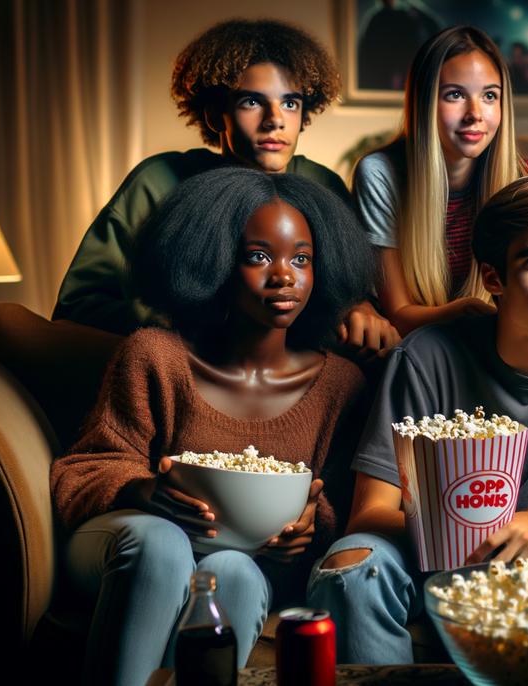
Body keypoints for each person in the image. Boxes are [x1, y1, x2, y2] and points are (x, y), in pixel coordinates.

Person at [307, 176, 528, 664]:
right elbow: (370, 512)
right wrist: (470, 532)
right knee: (350, 565)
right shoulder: (426, 357)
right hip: (436, 562)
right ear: (494, 278)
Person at [49, 167, 374, 686]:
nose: (284, 276)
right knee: (162, 543)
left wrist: (310, 527)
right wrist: (144, 489)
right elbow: (81, 471)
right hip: (128, 544)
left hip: (246, 560)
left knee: (239, 574)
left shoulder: (340, 385)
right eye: (259, 256)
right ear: (214, 260)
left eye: (302, 259)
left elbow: (336, 509)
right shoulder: (156, 356)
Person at [53, 18, 397, 355]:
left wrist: (360, 308)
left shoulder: (321, 185)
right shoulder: (158, 181)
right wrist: (174, 326)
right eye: (252, 102)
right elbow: (80, 304)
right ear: (216, 115)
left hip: (294, 375)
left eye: (290, 103)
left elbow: (352, 292)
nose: (275, 119)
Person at [354, 26, 528, 336]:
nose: (475, 114)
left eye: (490, 96)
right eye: (455, 95)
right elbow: (399, 315)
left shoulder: (521, 178)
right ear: (424, 102)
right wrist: (466, 312)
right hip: (418, 345)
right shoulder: (380, 174)